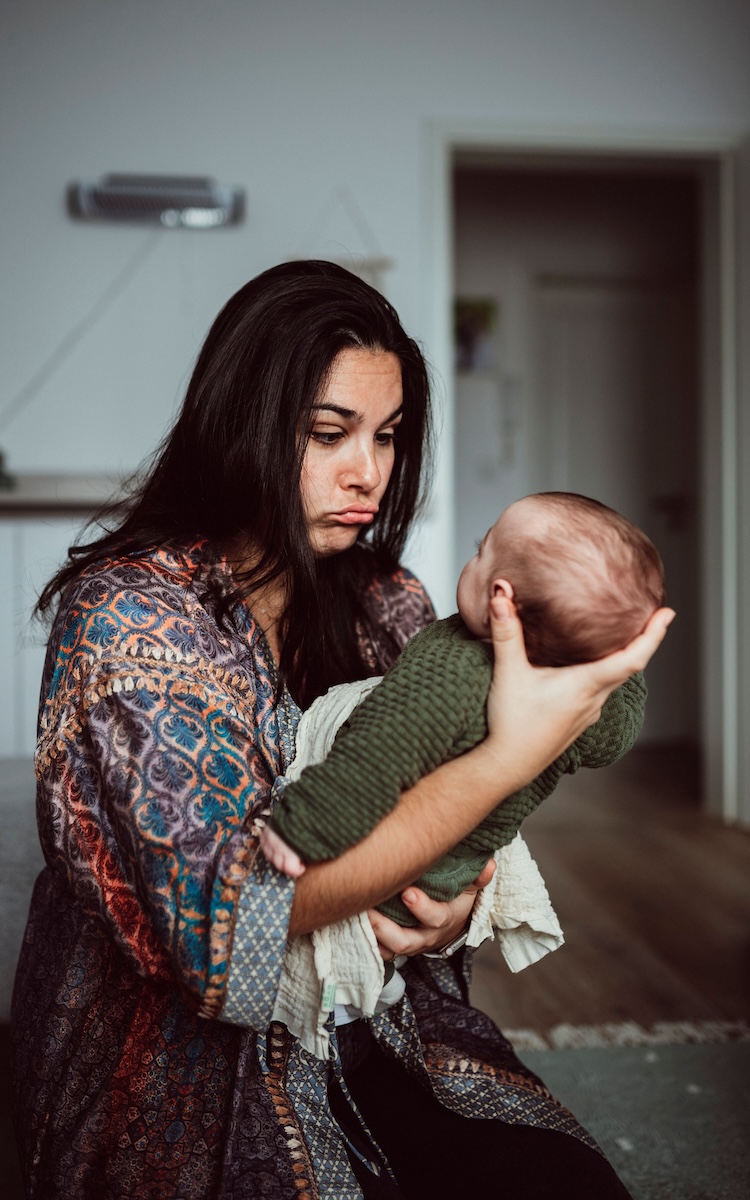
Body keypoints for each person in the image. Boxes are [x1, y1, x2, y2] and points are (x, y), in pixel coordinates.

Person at [10, 260, 672, 1200]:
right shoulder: (128, 618)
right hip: (171, 1060)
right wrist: (503, 761)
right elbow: (226, 926)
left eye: (389, 436)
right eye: (329, 434)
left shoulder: (390, 602)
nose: (368, 474)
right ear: (241, 423)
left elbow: (467, 831)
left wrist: (457, 911)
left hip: (379, 1013)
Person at [261, 491, 665, 926]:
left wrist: (303, 828)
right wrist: (614, 658)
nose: (471, 558)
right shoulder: (581, 703)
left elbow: (375, 756)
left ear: (499, 596)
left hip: (380, 874)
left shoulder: (456, 670)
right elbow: (618, 735)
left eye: (481, 549)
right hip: (452, 876)